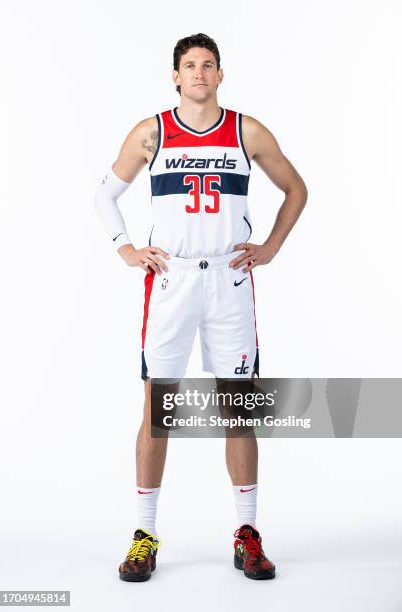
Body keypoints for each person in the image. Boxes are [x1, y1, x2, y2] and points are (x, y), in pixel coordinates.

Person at [94, 32, 307, 582]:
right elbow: (104, 194)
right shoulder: (152, 133)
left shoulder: (246, 131)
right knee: (158, 410)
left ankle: (247, 532)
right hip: (172, 280)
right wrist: (126, 250)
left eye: (208, 65)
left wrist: (272, 246)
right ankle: (144, 533)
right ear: (175, 75)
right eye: (189, 65)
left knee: (237, 409)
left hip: (229, 281)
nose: (198, 73)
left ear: (219, 74)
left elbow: (296, 188)